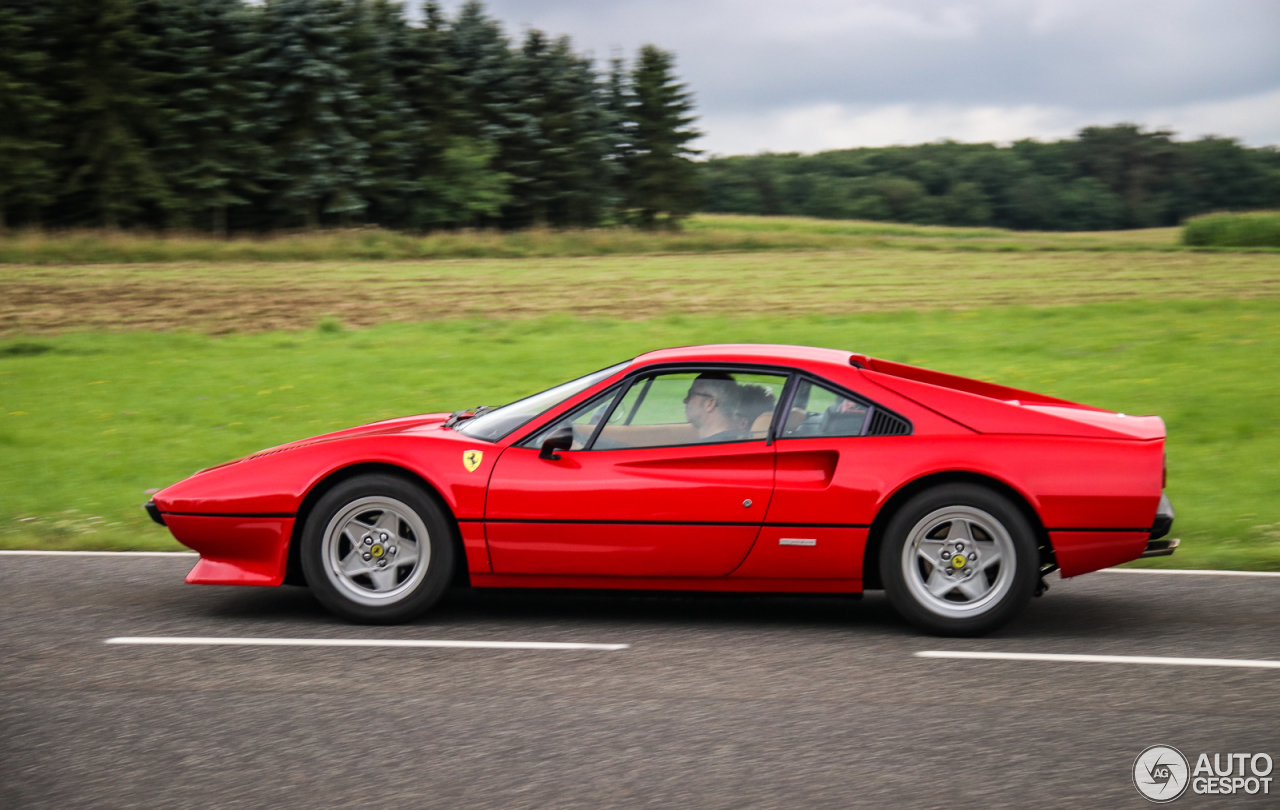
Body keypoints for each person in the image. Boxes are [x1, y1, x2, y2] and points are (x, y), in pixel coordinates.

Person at [683, 372, 745, 442]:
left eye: (690, 394)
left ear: (710, 404)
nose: (685, 400)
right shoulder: (747, 440)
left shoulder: (698, 450)